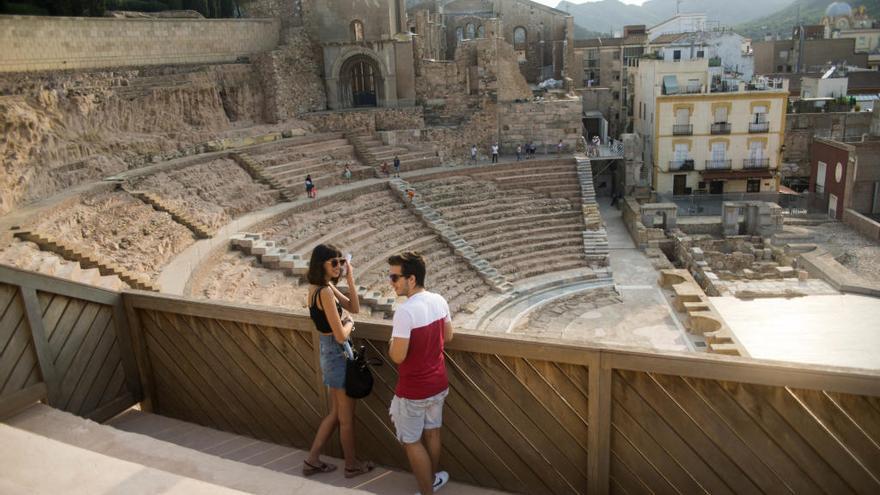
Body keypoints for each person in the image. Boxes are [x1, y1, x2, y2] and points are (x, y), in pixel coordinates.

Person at [303, 244, 375, 479]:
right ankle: (352, 466)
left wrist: (351, 277)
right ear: (320, 264)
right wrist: (350, 323)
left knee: (336, 414)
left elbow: (353, 306)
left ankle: (312, 460)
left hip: (330, 354)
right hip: (337, 354)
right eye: (333, 262)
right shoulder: (323, 292)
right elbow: (341, 334)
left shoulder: (320, 287)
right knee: (345, 420)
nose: (338, 266)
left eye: (340, 262)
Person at [387, 252, 453, 495]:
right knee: (433, 432)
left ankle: (426, 491)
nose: (391, 282)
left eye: (395, 277)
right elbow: (448, 336)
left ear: (411, 279)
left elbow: (397, 356)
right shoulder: (439, 300)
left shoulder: (405, 311)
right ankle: (432, 478)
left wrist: (392, 341)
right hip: (438, 383)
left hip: (414, 390)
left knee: (411, 441)